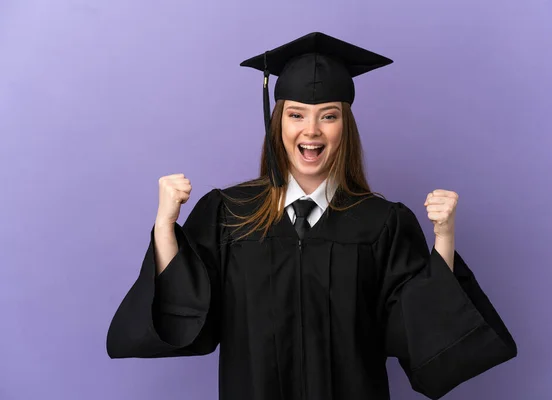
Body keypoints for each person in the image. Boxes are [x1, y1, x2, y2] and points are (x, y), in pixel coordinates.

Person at [106, 32, 517, 400]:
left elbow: (412, 331)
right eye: (297, 114)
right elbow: (191, 316)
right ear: (278, 122)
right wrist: (164, 227)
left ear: (345, 127)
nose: (312, 131)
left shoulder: (382, 223)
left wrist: (444, 239)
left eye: (329, 115)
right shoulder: (229, 215)